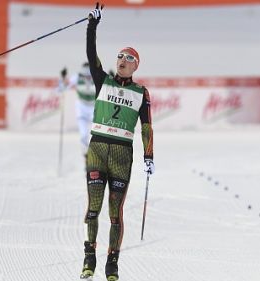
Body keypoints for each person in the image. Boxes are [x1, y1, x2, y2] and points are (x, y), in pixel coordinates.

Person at [80, 3, 155, 281]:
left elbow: (147, 126)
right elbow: (91, 54)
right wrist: (92, 25)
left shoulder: (141, 92)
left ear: (136, 65)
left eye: (128, 57)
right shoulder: (103, 81)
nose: (122, 59)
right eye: (120, 56)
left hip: (123, 154)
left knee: (115, 213)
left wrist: (149, 155)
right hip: (98, 149)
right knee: (93, 208)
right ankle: (89, 257)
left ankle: (112, 263)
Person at [59, 62, 96, 157]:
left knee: (96, 132)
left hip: (93, 107)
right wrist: (63, 77)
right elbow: (64, 87)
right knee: (83, 134)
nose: (87, 76)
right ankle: (85, 153)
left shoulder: (96, 76)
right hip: (82, 107)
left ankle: (95, 152)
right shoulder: (77, 77)